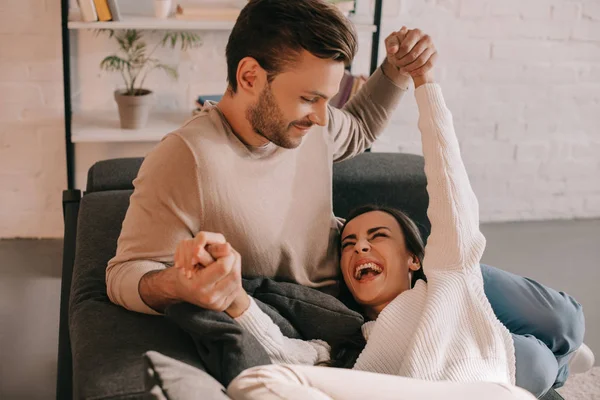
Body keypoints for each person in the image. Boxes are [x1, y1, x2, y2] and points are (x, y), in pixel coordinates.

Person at [105, 0, 583, 396]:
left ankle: (565, 363)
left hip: (393, 267)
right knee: (535, 362)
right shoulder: (185, 158)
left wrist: (397, 70)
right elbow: (123, 274)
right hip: (348, 313)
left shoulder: (310, 121)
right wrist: (182, 286)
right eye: (309, 98)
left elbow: (355, 130)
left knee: (564, 320)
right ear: (250, 76)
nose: (320, 119)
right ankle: (559, 370)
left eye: (326, 100)